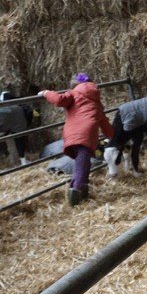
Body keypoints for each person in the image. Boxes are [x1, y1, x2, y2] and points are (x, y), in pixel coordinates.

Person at [40, 73, 114, 206]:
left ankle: (80, 190)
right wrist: (112, 136)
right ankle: (76, 191)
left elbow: (58, 100)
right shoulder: (96, 101)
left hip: (72, 132)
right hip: (88, 133)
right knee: (82, 163)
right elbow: (104, 122)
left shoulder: (73, 93)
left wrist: (46, 93)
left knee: (83, 163)